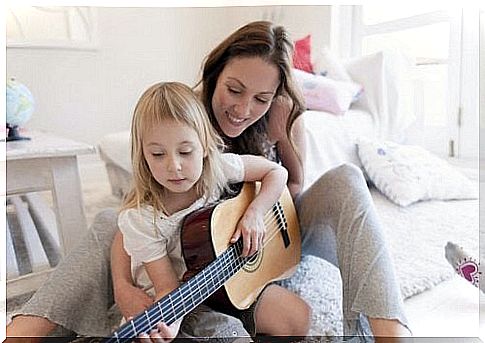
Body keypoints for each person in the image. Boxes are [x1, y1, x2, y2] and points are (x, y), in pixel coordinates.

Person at [7, 20, 410, 341]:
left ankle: (390, 332)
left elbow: (293, 186)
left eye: (260, 98)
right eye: (234, 89)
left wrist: (257, 206)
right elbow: (139, 204)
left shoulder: (282, 112)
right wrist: (125, 287)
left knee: (347, 180)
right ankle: (28, 329)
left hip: (276, 228)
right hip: (209, 247)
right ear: (216, 74)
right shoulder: (187, 117)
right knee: (112, 220)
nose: (242, 108)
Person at [117, 81, 310, 340]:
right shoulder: (140, 219)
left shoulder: (220, 168)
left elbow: (277, 172)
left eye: (185, 151)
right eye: (158, 154)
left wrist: (255, 213)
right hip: (185, 299)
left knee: (300, 319)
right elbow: (166, 286)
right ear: (142, 156)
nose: (174, 166)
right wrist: (170, 322)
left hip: (232, 281)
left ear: (205, 145)